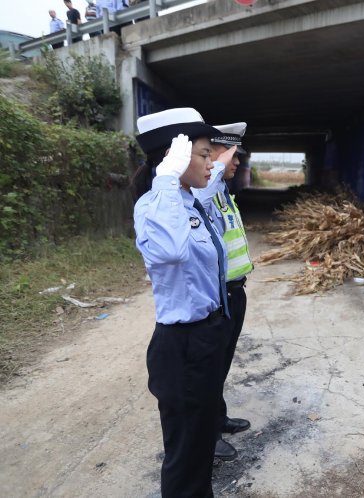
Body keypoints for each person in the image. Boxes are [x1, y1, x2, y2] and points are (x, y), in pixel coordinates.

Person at [133, 107, 237, 497]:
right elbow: (171, 252)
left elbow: (212, 183)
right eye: (204, 154)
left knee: (199, 449)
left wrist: (225, 148)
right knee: (186, 454)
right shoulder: (154, 206)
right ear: (172, 158)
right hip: (183, 345)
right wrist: (164, 178)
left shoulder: (190, 201)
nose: (212, 163)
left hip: (208, 334)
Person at [193, 123, 254, 461]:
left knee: (222, 364)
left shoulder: (224, 192)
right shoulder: (203, 191)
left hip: (235, 291)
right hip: (219, 296)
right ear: (215, 155)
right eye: (232, 156)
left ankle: (218, 417)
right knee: (210, 368)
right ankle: (208, 435)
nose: (237, 164)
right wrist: (215, 165)